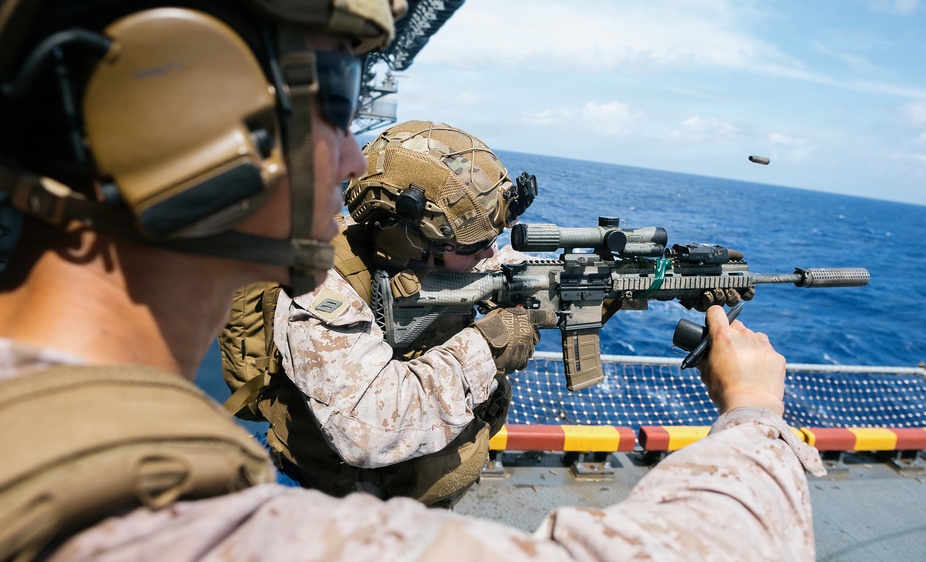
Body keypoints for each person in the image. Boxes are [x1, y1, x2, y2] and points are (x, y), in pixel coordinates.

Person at [0, 0, 826, 560]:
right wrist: (752, 413)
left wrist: (610, 287)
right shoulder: (170, 529)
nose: (352, 157)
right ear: (175, 111)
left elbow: (498, 276)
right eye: (332, 96)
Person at [219, 119, 551, 507]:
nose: (488, 253)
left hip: (403, 499)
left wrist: (555, 285)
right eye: (474, 245)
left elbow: (487, 263)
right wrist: (489, 345)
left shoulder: (427, 254)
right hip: (329, 503)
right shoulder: (318, 287)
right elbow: (370, 430)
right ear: (411, 239)